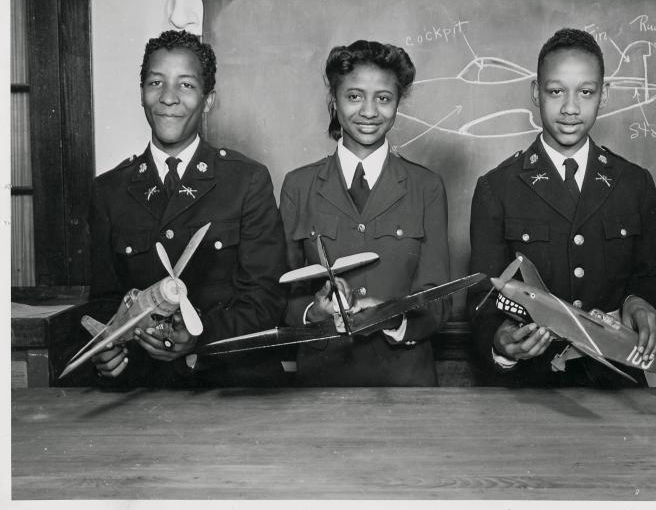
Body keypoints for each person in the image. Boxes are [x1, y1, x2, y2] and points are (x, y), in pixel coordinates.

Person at [82, 30, 288, 387]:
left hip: (232, 387)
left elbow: (266, 300)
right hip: (143, 391)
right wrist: (107, 348)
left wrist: (199, 335)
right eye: (156, 82)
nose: (168, 98)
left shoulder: (246, 180)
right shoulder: (109, 190)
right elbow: (105, 300)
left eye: (186, 85)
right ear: (142, 94)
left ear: (208, 100)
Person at [468, 28, 656, 387]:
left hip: (616, 385)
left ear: (603, 95)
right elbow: (483, 299)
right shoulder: (496, 188)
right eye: (556, 91)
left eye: (586, 92)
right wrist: (501, 343)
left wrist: (640, 301)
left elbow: (649, 276)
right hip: (531, 388)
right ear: (535, 92)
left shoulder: (634, 183)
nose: (571, 108)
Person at [279, 40, 451, 386]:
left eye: (383, 98)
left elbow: (439, 300)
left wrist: (389, 315)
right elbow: (280, 293)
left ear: (398, 103)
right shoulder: (299, 186)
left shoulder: (426, 186)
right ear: (334, 100)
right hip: (322, 383)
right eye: (354, 96)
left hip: (406, 384)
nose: (369, 111)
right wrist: (316, 310)